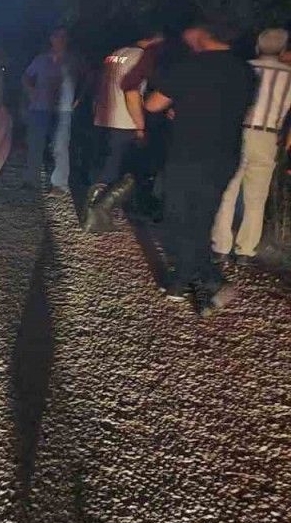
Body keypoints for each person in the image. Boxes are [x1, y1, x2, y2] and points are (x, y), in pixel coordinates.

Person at [142, 20, 255, 314]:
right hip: (225, 156)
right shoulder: (245, 71)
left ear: (204, 34)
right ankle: (191, 282)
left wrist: (178, 108)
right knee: (201, 218)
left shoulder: (190, 66)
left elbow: (153, 104)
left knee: (179, 217)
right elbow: (236, 109)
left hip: (189, 154)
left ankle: (204, 281)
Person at [210, 28, 291, 263]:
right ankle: (245, 249)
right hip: (268, 137)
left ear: (257, 46)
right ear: (283, 50)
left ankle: (221, 246)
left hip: (237, 131)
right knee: (257, 197)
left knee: (227, 191)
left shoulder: (243, 68)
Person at [82, 31, 165, 232]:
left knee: (104, 167)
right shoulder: (141, 57)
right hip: (124, 121)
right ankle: (96, 217)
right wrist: (140, 125)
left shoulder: (116, 53)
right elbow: (132, 92)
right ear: (155, 40)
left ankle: (93, 213)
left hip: (103, 117)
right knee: (123, 171)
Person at [21, 26, 80, 193]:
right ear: (51, 39)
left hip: (63, 109)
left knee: (60, 146)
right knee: (35, 145)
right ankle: (31, 180)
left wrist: (78, 99)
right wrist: (31, 91)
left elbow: (88, 77)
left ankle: (59, 184)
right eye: (57, 36)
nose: (60, 40)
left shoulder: (73, 60)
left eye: (63, 37)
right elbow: (26, 77)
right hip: (40, 108)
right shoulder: (41, 59)